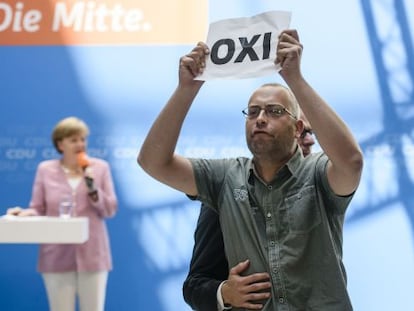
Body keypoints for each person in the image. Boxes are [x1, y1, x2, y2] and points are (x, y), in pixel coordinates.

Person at [138, 29, 363, 310]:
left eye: (274, 111)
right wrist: (186, 89)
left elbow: (351, 161)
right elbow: (153, 162)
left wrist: (294, 78)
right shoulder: (224, 177)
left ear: (297, 129)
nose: (260, 119)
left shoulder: (319, 174)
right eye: (253, 111)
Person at [183, 111, 316, 311]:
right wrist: (225, 293)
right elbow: (194, 286)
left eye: (310, 132)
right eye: (301, 131)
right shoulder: (228, 190)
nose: (311, 140)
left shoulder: (321, 189)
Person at [7, 116, 118, 311]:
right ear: (60, 144)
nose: (80, 144)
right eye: (73, 139)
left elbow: (109, 210)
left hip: (92, 254)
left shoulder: (99, 168)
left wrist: (93, 188)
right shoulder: (46, 170)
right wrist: (23, 214)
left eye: (83, 139)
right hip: (56, 256)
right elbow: (38, 208)